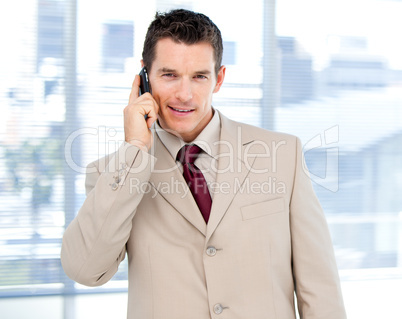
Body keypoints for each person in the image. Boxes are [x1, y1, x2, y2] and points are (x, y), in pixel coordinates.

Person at [61, 9, 347, 319]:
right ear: (144, 77)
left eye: (199, 76)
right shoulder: (113, 173)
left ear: (219, 78)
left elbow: (321, 291)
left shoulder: (282, 155)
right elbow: (85, 269)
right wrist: (135, 150)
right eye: (169, 75)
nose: (184, 94)